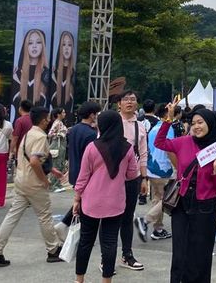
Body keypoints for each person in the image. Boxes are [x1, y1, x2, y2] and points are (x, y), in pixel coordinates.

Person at [156, 105, 216, 283]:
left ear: (211, 124)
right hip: (182, 204)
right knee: (180, 251)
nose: (196, 126)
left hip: (206, 207)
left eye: (200, 122)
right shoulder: (183, 142)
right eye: (193, 123)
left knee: (200, 254)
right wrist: (168, 119)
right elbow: (159, 143)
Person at [0, 106, 62, 267]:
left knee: (12, 216)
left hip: (21, 180)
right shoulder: (40, 136)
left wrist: (51, 170)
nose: (49, 120)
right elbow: (34, 161)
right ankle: (53, 250)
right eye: (47, 118)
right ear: (43, 120)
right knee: (44, 216)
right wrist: (44, 180)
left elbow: (30, 158)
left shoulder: (29, 134)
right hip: (34, 183)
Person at [73, 111, 138, 283]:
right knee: (110, 244)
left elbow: (83, 177)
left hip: (90, 202)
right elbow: (132, 174)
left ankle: (79, 280)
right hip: (115, 203)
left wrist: (77, 198)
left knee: (86, 242)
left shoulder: (92, 147)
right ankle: (106, 281)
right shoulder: (128, 148)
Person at [54, 101, 100, 240]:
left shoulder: (73, 130)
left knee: (81, 201)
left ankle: (65, 225)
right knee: (84, 203)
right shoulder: (91, 134)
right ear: (92, 115)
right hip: (86, 173)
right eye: (96, 114)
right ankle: (66, 225)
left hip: (75, 170)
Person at [117, 90, 148, 271]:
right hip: (113, 178)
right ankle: (107, 257)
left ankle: (127, 255)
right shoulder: (113, 122)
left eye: (133, 99)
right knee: (111, 217)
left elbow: (143, 154)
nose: (129, 102)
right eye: (126, 99)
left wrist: (144, 178)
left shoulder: (140, 126)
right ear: (119, 104)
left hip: (133, 178)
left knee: (127, 217)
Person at [136, 104, 174, 243]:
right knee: (167, 199)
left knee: (158, 198)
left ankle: (158, 229)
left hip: (152, 168)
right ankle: (145, 221)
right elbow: (169, 150)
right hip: (163, 168)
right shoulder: (167, 128)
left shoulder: (154, 128)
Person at [12, 29, 50, 108]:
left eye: (38, 42)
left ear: (43, 45)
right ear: (26, 46)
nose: (34, 46)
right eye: (30, 43)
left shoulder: (46, 73)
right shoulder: (17, 74)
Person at [51, 31, 76, 114]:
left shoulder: (73, 73)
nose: (66, 48)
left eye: (69, 45)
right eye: (63, 44)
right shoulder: (54, 72)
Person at [47, 107, 68, 192]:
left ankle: (57, 184)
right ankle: (53, 185)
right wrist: (60, 134)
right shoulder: (57, 123)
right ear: (58, 114)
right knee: (56, 165)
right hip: (57, 145)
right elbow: (50, 134)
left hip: (61, 145)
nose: (64, 114)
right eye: (63, 112)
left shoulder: (60, 123)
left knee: (61, 165)